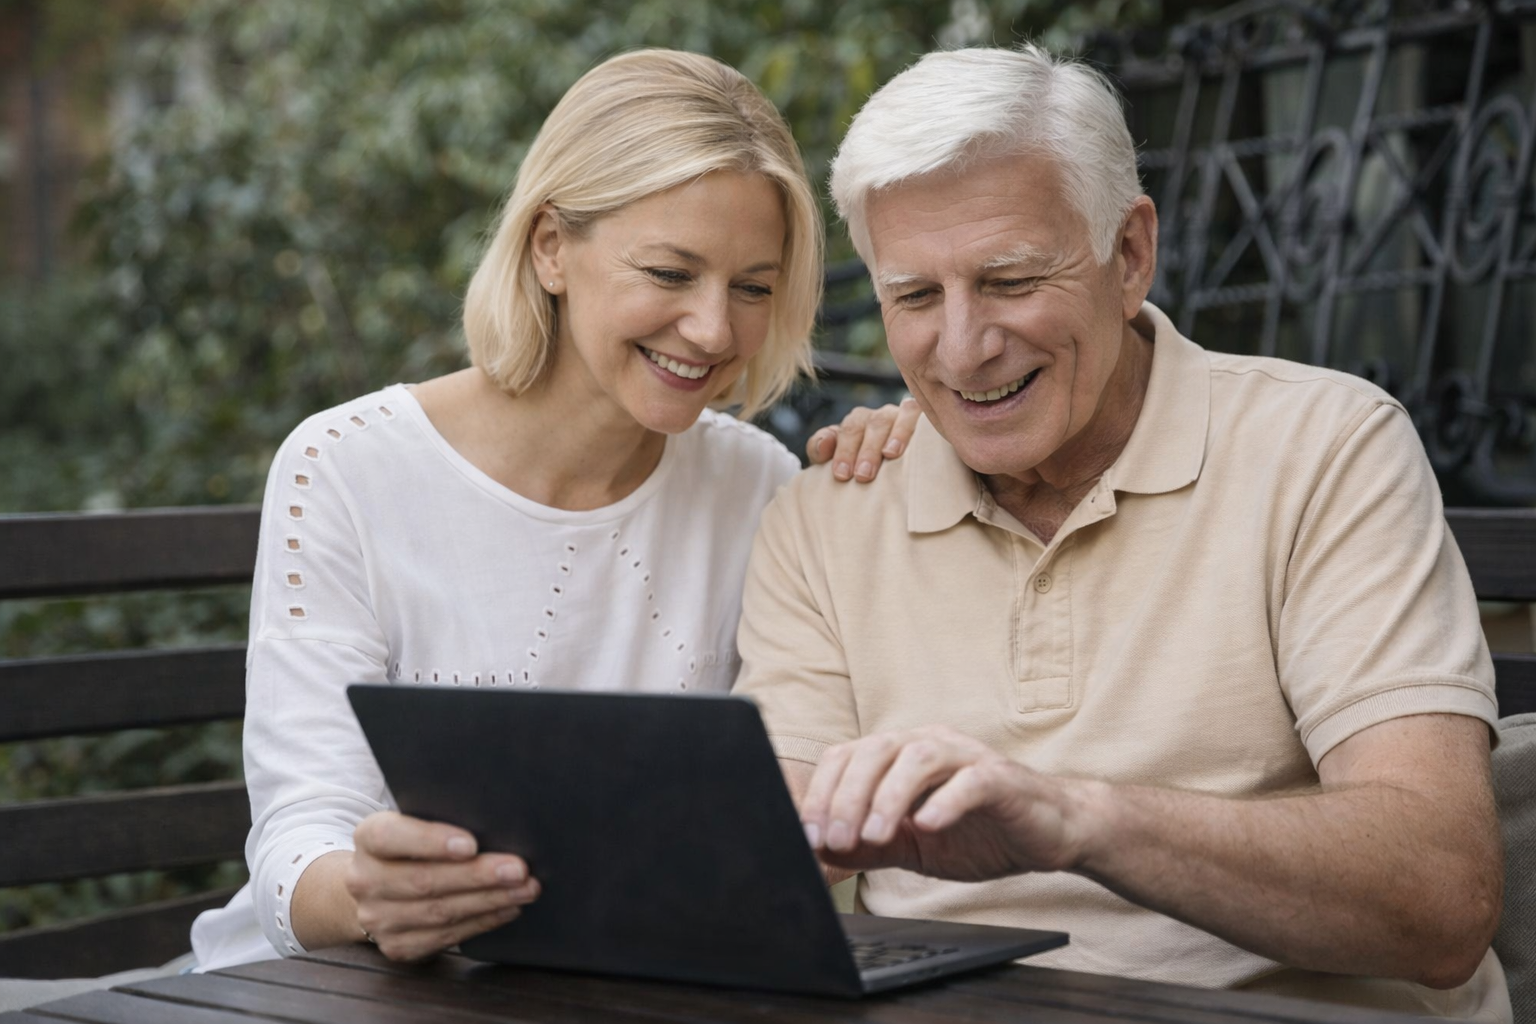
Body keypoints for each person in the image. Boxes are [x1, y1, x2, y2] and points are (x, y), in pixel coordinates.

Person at [732, 45, 1511, 1022]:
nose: (964, 347)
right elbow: (770, 856)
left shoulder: (1325, 447)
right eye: (916, 297)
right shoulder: (830, 511)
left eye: (1011, 279)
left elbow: (1439, 900)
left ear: (1131, 254)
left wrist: (1073, 818)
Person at [186, 48, 916, 974]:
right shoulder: (345, 468)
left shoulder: (759, 487)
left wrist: (903, 472)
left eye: (753, 287)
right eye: (669, 272)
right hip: (320, 986)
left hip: (597, 985)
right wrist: (370, 894)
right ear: (550, 247)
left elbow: (770, 822)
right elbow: (299, 830)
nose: (714, 329)